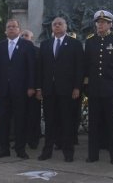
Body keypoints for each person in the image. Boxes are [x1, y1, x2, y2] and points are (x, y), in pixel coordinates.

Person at [36, 16, 84, 162]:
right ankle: (47, 151)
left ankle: (68, 152)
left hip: (67, 90)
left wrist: (77, 87)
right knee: (50, 122)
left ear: (66, 26)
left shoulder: (75, 44)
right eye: (55, 24)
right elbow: (40, 68)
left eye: (60, 24)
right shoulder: (45, 44)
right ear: (52, 27)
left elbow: (79, 69)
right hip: (49, 90)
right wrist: (39, 88)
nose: (57, 26)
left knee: (67, 122)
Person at [84, 10, 113, 164]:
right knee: (93, 123)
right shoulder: (90, 41)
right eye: (98, 22)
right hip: (94, 89)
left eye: (103, 22)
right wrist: (87, 86)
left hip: (110, 89)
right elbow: (87, 65)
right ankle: (93, 155)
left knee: (111, 123)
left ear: (110, 25)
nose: (100, 25)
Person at [0, 19, 36, 159]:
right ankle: (4, 149)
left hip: (21, 90)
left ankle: (20, 149)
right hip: (3, 90)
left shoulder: (27, 45)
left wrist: (31, 86)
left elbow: (31, 68)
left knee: (20, 120)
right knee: (3, 120)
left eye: (14, 26)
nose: (11, 29)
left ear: (19, 30)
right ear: (5, 30)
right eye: (8, 27)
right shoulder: (1, 46)